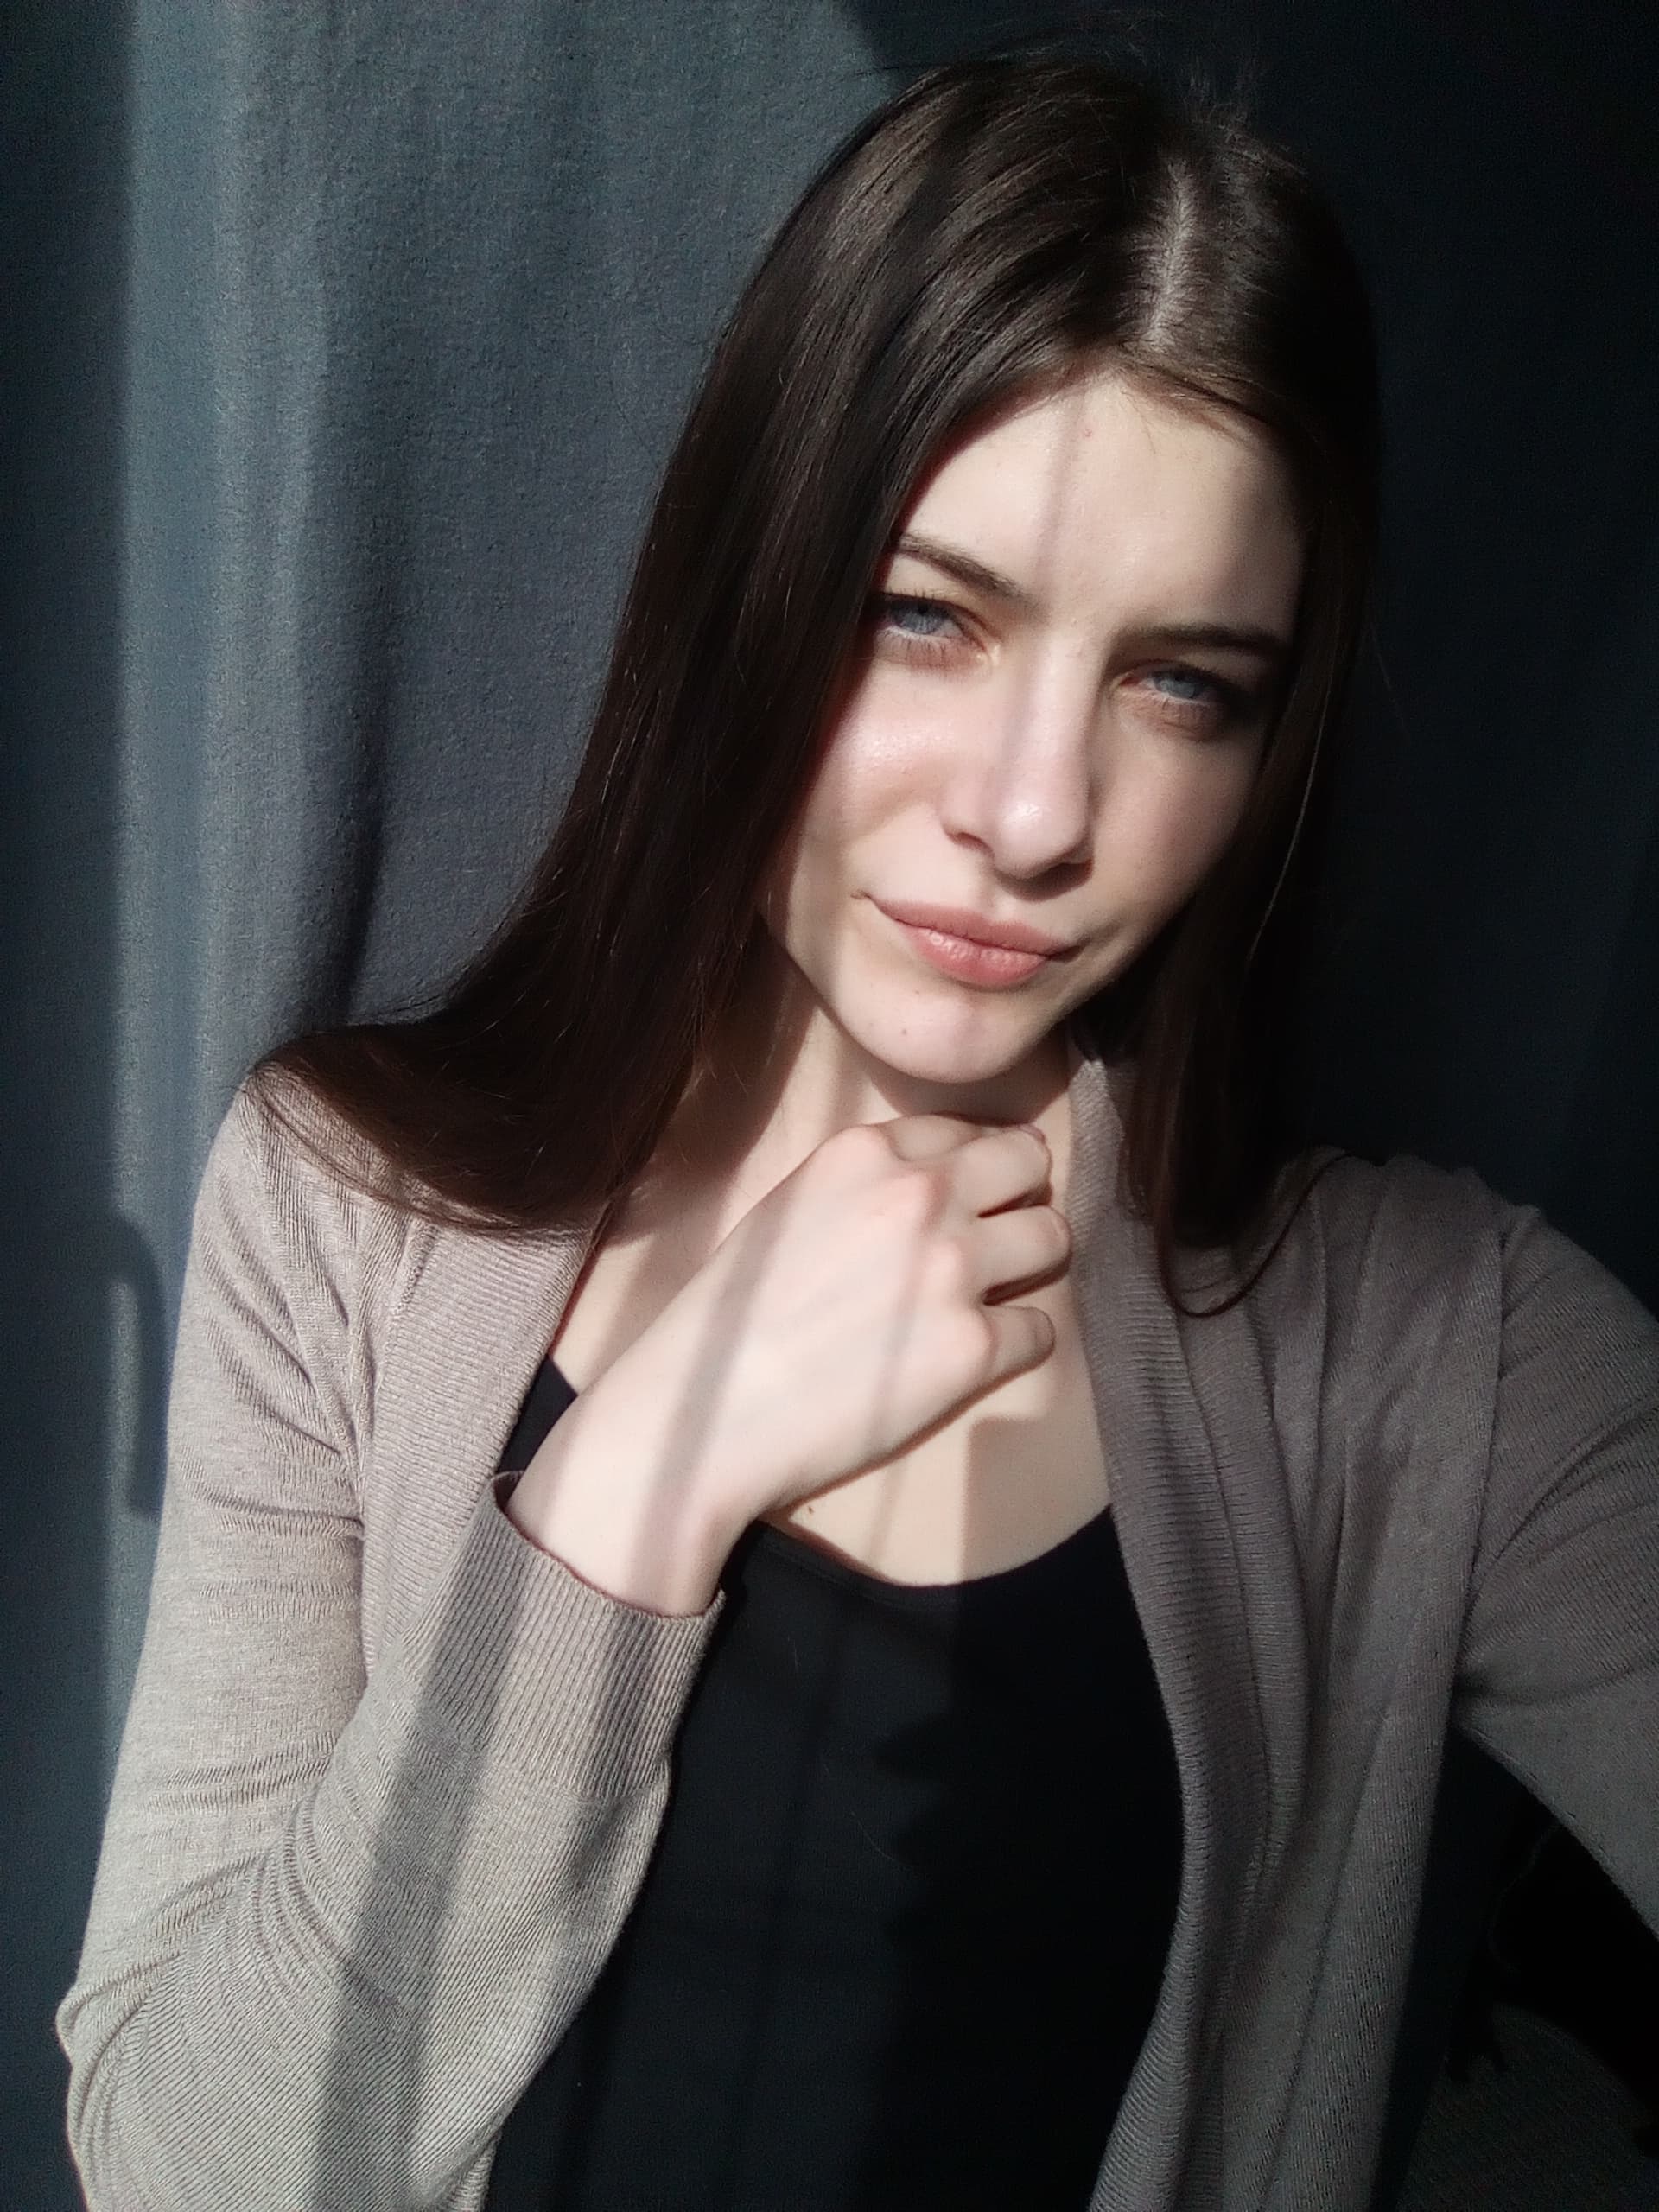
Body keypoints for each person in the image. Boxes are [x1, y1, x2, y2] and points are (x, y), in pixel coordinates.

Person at [58, 49, 1659, 2212]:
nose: (1034, 812)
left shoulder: (1429, 1359)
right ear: (753, 581)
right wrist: (634, 1487)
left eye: (1184, 682)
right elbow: (175, 2162)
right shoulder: (349, 1209)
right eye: (929, 614)